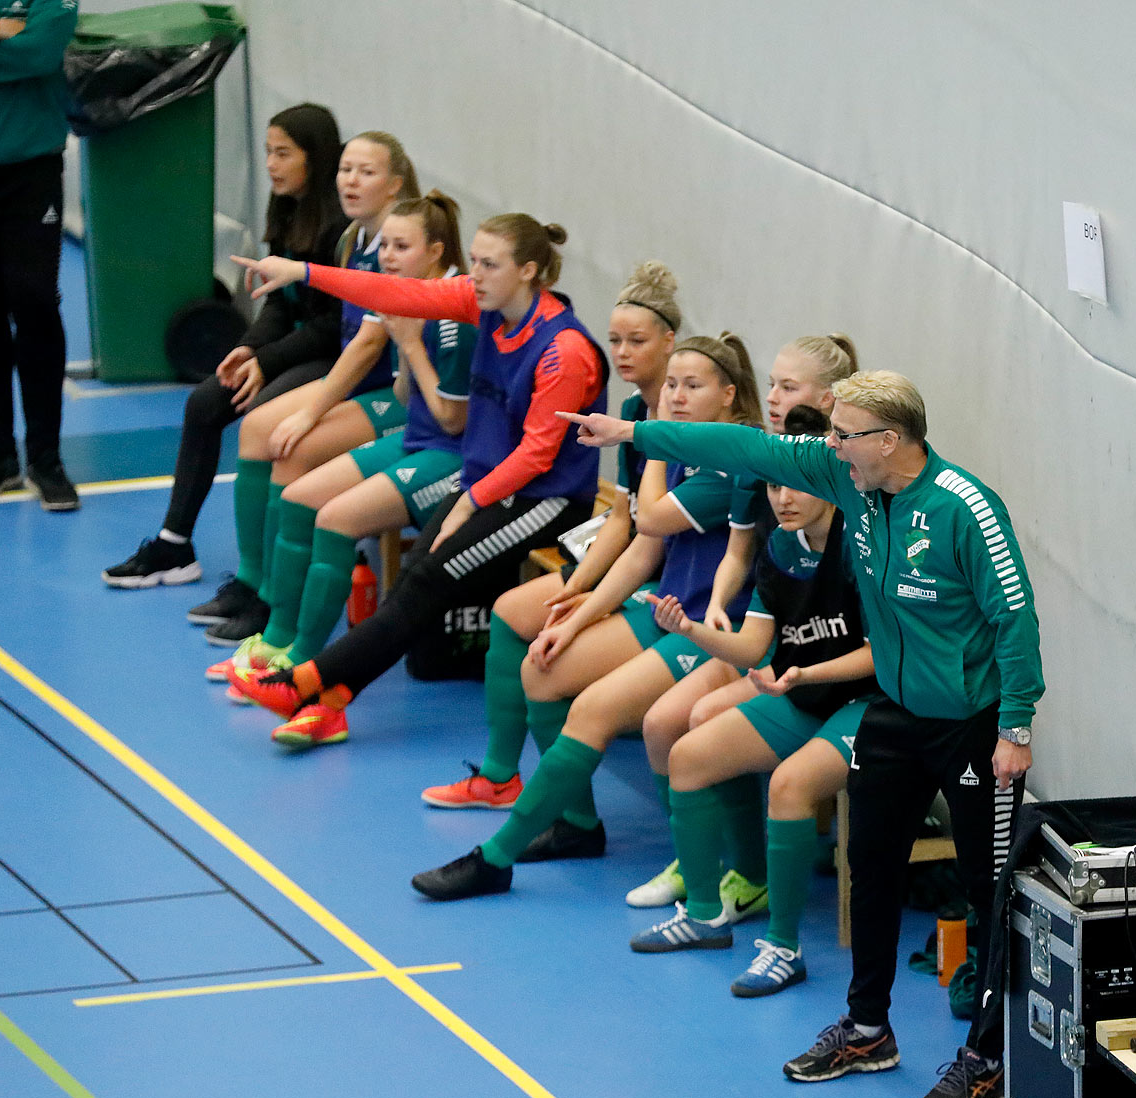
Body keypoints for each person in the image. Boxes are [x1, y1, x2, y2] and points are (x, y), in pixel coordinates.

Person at [560, 368, 1044, 1098]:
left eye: (845, 434)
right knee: (870, 868)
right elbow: (749, 446)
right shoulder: (847, 477)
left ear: (890, 440)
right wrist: (635, 433)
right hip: (895, 709)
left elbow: (1014, 617)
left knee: (989, 888)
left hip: (973, 725)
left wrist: (1016, 725)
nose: (829, 446)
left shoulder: (964, 508)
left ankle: (988, 1055)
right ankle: (867, 1028)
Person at [226, 212, 608, 747]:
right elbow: (394, 292)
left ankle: (300, 684)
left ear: (528, 271)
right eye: (472, 260)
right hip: (489, 484)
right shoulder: (481, 304)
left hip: (543, 499)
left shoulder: (563, 352)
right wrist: (302, 272)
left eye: (489, 264)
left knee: (427, 582)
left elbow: (537, 456)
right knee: (411, 581)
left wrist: (466, 503)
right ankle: (332, 706)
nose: (474, 273)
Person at [407, 334, 761, 898]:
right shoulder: (671, 442)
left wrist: (657, 443)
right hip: (665, 609)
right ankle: (576, 824)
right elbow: (642, 552)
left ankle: (496, 857)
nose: (675, 396)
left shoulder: (730, 458)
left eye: (692, 386)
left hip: (713, 629)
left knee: (594, 709)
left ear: (730, 397)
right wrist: (577, 615)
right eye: (672, 384)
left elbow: (649, 525)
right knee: (541, 671)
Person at [629, 402, 875, 999]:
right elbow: (752, 647)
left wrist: (804, 674)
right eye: (771, 484)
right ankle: (706, 915)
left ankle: (783, 948)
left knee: (790, 786)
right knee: (688, 756)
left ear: (825, 480)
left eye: (794, 483)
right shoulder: (781, 550)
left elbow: (884, 656)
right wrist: (688, 629)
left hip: (872, 704)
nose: (782, 497)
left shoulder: (863, 543)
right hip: (807, 693)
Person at [418, 260, 681, 813]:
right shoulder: (633, 408)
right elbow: (621, 520)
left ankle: (571, 816)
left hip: (664, 582)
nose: (623, 352)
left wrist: (586, 598)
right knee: (513, 611)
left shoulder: (679, 414)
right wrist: (576, 585)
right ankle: (498, 776)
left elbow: (648, 538)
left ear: (670, 340)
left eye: (637, 340)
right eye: (615, 340)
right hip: (622, 560)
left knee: (545, 662)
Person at [210, 191, 472, 683]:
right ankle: (274, 640)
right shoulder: (410, 298)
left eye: (401, 247)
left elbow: (453, 420)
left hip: (455, 452)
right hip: (419, 435)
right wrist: (403, 345)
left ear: (436, 252)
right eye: (386, 247)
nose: (388, 258)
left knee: (334, 519)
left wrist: (411, 346)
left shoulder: (454, 315)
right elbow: (404, 393)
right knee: (298, 498)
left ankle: (304, 661)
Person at [103, 103, 347, 585]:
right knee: (205, 401)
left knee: (263, 419)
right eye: (267, 153)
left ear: (314, 159)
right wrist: (249, 348)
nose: (271, 165)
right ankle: (175, 545)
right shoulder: (286, 209)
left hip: (336, 358)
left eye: (283, 154)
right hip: (298, 347)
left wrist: (267, 361)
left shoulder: (340, 228)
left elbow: (334, 327)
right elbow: (278, 302)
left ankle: (262, 577)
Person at [196, 131, 422, 645]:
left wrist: (308, 413)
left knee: (291, 447)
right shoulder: (350, 239)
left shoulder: (394, 247)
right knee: (255, 427)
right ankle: (253, 581)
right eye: (345, 169)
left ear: (395, 185)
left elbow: (367, 347)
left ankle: (279, 604)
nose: (351, 180)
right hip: (357, 385)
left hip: (393, 395)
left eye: (366, 171)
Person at [0, 0, 78, 511]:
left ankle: (45, 458)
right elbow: (17, 54)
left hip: (32, 172)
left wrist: (17, 41)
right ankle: (0, 458)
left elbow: (40, 54)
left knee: (34, 300)